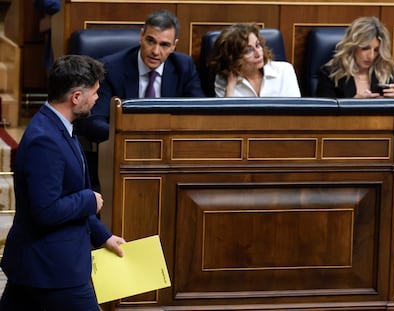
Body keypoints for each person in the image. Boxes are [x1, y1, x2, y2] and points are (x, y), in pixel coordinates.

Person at [0, 55, 126, 311]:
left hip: (40, 267)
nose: (97, 98)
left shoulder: (59, 128)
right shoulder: (44, 140)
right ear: (76, 97)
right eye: (94, 92)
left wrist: (104, 237)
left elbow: (69, 191)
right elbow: (46, 210)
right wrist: (89, 200)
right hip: (52, 270)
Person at [74, 9, 205, 191]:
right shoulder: (112, 68)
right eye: (150, 41)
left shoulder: (183, 66)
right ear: (141, 36)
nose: (155, 51)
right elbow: (94, 122)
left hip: (170, 156)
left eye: (164, 45)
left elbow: (200, 113)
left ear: (174, 46)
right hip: (122, 156)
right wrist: (134, 138)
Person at [207, 23, 301, 97]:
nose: (258, 53)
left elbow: (297, 113)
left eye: (257, 45)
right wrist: (231, 86)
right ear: (233, 58)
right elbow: (226, 118)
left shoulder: (285, 70)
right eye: (248, 51)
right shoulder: (223, 80)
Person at [316, 16, 394, 98]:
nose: (371, 56)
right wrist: (354, 104)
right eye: (365, 48)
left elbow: (392, 110)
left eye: (376, 50)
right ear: (353, 47)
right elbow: (324, 110)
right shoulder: (331, 74)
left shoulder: (385, 73)